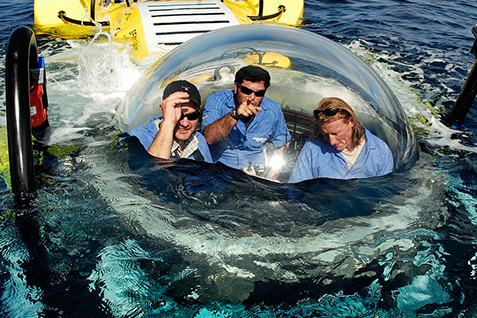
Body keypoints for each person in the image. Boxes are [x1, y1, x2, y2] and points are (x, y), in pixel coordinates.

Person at [201, 65, 291, 178]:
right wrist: (234, 115)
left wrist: (269, 180)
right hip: (218, 173)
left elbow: (281, 146)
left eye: (259, 93)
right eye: (246, 91)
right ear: (236, 87)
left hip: (255, 174)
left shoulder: (273, 110)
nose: (252, 97)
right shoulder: (217, 101)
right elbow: (209, 138)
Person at [288, 97, 394, 183]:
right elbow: (296, 190)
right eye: (325, 135)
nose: (331, 141)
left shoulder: (381, 152)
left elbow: (386, 199)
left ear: (351, 122)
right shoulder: (312, 148)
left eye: (336, 133)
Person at [128, 80, 212, 162]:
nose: (185, 123)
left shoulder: (199, 141)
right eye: (178, 116)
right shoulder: (137, 138)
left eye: (192, 116)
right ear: (162, 110)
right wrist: (169, 122)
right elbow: (152, 172)